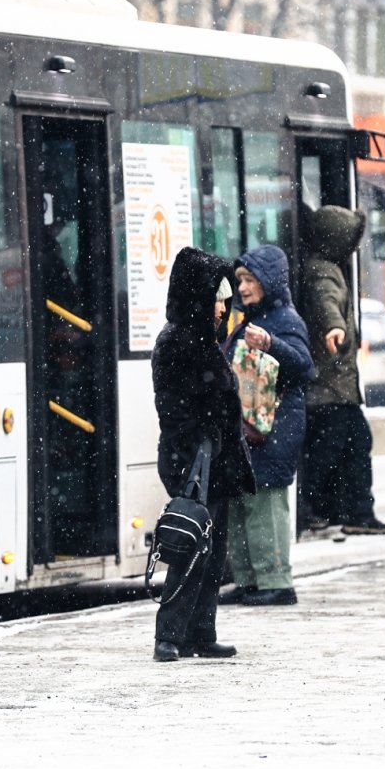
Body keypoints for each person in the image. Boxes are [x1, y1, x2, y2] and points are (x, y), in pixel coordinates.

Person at [151, 247, 256, 662]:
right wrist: (204, 432)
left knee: (212, 551)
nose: (223, 306)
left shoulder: (202, 340)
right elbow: (176, 407)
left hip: (216, 461)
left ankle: (200, 631)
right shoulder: (179, 341)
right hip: (193, 460)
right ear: (197, 297)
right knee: (191, 546)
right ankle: (170, 634)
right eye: (217, 297)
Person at [220, 244, 314, 607]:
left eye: (250, 280)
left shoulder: (285, 321)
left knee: (266, 503)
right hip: (252, 429)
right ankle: (249, 580)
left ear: (269, 282)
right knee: (244, 503)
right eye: (240, 280)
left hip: (274, 428)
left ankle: (276, 581)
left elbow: (303, 367)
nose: (242, 287)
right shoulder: (249, 320)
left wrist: (271, 344)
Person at [298, 205, 385, 536]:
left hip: (332, 385)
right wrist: (334, 327)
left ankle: (348, 511)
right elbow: (326, 303)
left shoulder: (324, 267)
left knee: (347, 445)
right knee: (333, 449)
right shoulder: (322, 271)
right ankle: (329, 511)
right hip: (328, 386)